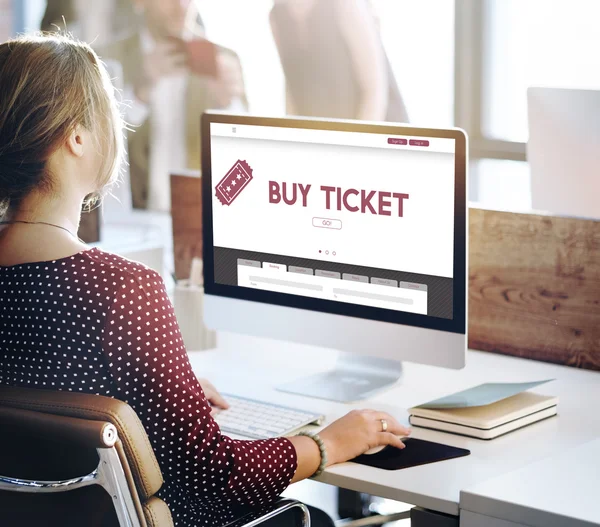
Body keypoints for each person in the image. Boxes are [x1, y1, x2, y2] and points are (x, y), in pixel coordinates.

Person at [0, 34, 411, 527]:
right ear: (77, 137)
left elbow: (40, 387)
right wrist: (328, 444)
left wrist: (158, 386)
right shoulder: (122, 292)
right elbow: (214, 476)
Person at [99, 0, 247, 211]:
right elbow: (96, 149)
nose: (181, 6)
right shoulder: (107, 59)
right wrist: (139, 93)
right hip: (130, 218)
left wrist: (226, 105)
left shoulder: (224, 59)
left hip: (199, 214)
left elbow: (244, 159)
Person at [270, 0, 409, 123]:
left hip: (376, 125)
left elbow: (375, 90)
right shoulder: (276, 16)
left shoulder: (346, 4)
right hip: (329, 130)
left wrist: (356, 143)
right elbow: (293, 86)